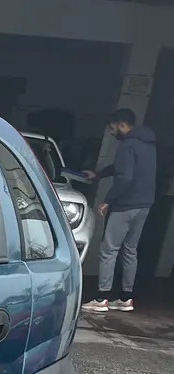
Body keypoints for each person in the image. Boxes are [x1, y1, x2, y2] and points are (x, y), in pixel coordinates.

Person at [82, 108, 158, 313]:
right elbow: (121, 167)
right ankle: (125, 298)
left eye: (112, 127)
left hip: (125, 205)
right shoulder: (148, 144)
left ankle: (101, 298)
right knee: (130, 250)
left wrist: (108, 200)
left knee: (109, 250)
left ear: (121, 124)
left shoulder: (127, 144)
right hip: (144, 205)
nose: (111, 131)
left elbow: (125, 176)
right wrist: (99, 174)